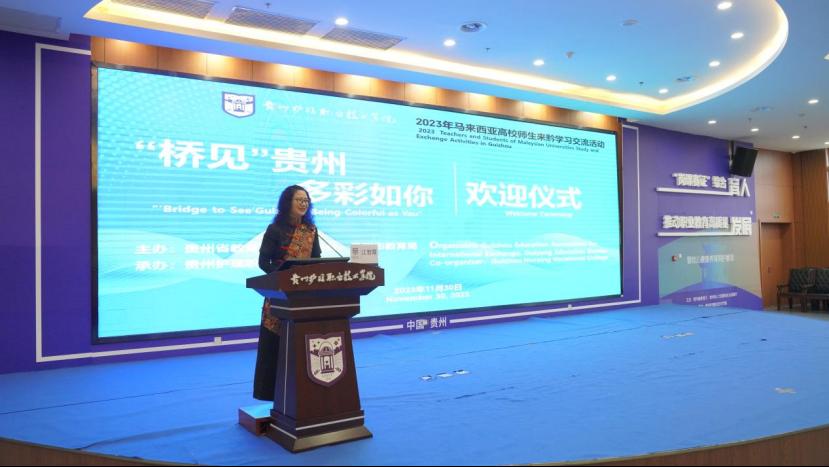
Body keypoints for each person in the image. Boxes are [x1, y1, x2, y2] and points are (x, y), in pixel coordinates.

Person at [253, 184, 321, 401]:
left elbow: (317, 260)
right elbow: (263, 262)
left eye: (306, 200)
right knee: (275, 344)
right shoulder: (275, 230)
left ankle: (303, 391)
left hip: (304, 296)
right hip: (279, 296)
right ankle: (273, 394)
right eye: (299, 200)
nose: (303, 204)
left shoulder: (311, 231)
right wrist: (281, 278)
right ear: (287, 203)